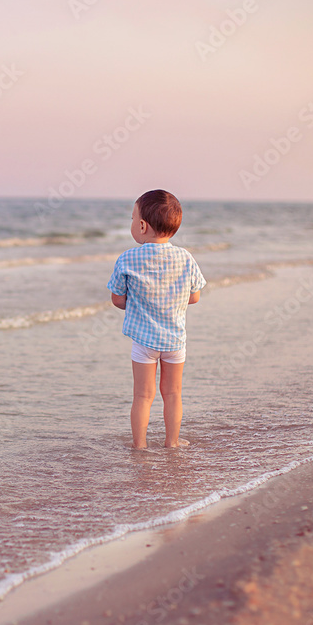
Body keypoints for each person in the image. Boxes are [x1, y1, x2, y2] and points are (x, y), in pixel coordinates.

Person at [107, 190, 206, 449]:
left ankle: (139, 445)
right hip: (175, 341)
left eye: (132, 218)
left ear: (142, 225)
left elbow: (117, 300)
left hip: (143, 341)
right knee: (172, 394)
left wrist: (141, 306)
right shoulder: (186, 257)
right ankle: (172, 442)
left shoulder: (127, 258)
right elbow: (194, 297)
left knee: (142, 395)